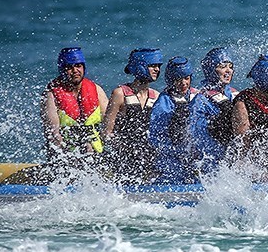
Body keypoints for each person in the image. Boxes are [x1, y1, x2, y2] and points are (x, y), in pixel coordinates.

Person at [40, 46, 109, 169]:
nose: (75, 70)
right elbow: (53, 133)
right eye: (69, 67)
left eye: (78, 66)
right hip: (65, 156)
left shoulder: (96, 89)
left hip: (96, 154)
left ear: (84, 68)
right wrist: (69, 157)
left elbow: (109, 124)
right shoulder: (51, 94)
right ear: (62, 69)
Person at [102, 47, 163, 183]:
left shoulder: (156, 96)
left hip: (149, 160)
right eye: (152, 66)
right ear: (140, 66)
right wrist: (118, 150)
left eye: (158, 66)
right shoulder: (120, 94)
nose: (157, 69)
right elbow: (106, 131)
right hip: (124, 160)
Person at [188, 47, 240, 175]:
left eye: (230, 67)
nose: (228, 71)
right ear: (211, 70)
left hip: (232, 160)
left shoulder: (235, 95)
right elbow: (196, 138)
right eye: (222, 67)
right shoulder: (200, 101)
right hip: (210, 163)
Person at [149, 56, 200, 184]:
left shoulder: (197, 96)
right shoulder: (164, 102)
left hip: (192, 156)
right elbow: (156, 135)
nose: (183, 83)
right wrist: (176, 151)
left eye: (186, 78)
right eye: (178, 79)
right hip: (170, 159)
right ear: (171, 80)